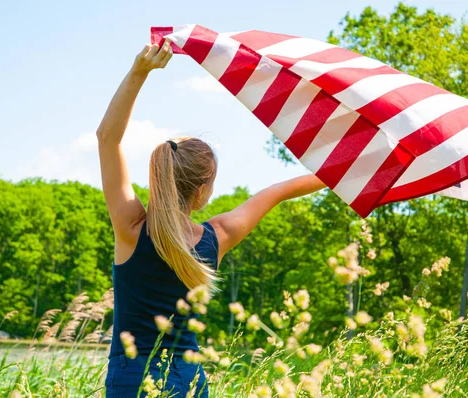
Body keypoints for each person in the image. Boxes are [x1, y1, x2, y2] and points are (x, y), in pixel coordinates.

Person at [97, 39, 326, 398]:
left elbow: (108, 139)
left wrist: (140, 71)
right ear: (203, 190)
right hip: (188, 382)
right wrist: (354, 168)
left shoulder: (131, 228)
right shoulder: (217, 236)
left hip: (131, 380)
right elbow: (281, 189)